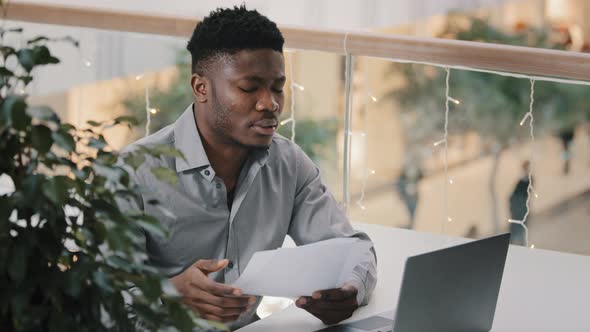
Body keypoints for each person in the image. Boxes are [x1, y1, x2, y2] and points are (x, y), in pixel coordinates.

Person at [119, 5, 377, 330]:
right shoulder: (134, 172)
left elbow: (353, 249)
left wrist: (350, 289)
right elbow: (98, 301)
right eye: (249, 88)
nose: (270, 103)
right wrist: (169, 294)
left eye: (278, 87)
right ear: (201, 88)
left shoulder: (289, 163)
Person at [509, 161, 532, 246]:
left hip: (521, 206)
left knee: (520, 228)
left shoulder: (527, 180)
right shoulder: (521, 180)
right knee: (517, 228)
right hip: (518, 207)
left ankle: (521, 244)